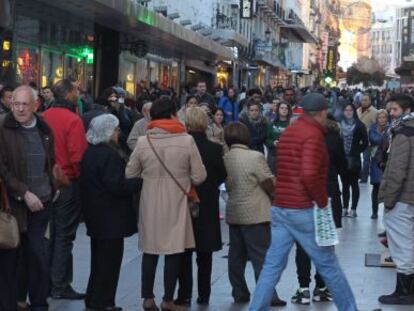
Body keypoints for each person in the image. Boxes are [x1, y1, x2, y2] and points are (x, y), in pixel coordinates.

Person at [249, 93, 357, 311]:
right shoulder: (313, 136)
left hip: (281, 207)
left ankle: (256, 309)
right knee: (328, 264)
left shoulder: (290, 132)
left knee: (272, 265)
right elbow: (308, 174)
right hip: (303, 209)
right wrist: (321, 200)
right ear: (321, 112)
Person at [125, 96, 207, 311]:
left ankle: (147, 298)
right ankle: (168, 299)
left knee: (150, 251)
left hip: (150, 201)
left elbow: (130, 173)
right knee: (174, 250)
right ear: (173, 114)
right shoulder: (186, 140)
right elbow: (199, 176)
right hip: (177, 202)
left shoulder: (144, 141)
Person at [0, 85, 56, 311]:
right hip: (12, 206)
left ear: (36, 105)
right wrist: (24, 192)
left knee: (37, 254)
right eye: (16, 104)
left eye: (25, 104)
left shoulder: (44, 127)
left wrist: (52, 187)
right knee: (10, 258)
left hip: (42, 202)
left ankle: (39, 303)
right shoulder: (3, 127)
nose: (20, 109)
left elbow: (49, 160)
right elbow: (2, 169)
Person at [80, 114, 142, 311]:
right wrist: (139, 182)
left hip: (96, 215)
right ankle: (104, 301)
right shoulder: (108, 155)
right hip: (110, 218)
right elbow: (116, 185)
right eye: (115, 130)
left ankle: (94, 298)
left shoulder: (91, 152)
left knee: (98, 261)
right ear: (107, 132)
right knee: (110, 262)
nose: (118, 133)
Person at [223, 122, 286, 307]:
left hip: (234, 211)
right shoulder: (255, 156)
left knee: (236, 256)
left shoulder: (226, 157)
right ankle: (268, 295)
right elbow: (268, 182)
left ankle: (239, 291)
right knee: (262, 257)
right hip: (256, 213)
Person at [175, 107, 227, 306]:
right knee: (204, 254)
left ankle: (184, 293)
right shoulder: (213, 148)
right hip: (207, 202)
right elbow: (222, 174)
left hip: (185, 199)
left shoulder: (181, 146)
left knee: (184, 251)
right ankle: (204, 294)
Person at [43, 79, 88, 300]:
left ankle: (48, 282)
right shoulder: (73, 120)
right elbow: (77, 156)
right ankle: (60, 284)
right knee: (64, 235)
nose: (78, 94)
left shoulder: (44, 117)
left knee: (49, 234)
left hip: (45, 182)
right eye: (76, 91)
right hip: (67, 182)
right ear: (69, 94)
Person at [378, 94, 414, 305]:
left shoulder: (403, 134)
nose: (390, 114)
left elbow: (397, 170)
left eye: (394, 110)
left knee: (402, 245)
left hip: (402, 197)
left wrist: (388, 200)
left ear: (406, 110)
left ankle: (404, 291)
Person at [340, 103, 368, 217]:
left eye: (350, 110)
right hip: (342, 159)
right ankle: (344, 207)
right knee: (344, 185)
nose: (348, 112)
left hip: (354, 160)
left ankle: (353, 209)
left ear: (354, 111)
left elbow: (365, 142)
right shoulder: (340, 124)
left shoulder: (360, 125)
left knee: (354, 185)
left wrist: (357, 151)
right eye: (346, 110)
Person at [369, 110, 389, 219]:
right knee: (376, 187)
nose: (382, 119)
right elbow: (374, 139)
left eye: (384, 117)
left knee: (387, 188)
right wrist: (384, 137)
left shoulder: (390, 128)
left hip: (386, 159)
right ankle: (374, 211)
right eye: (380, 117)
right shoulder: (373, 128)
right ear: (377, 119)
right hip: (375, 160)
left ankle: (387, 212)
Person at [265, 101, 291, 174]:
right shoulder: (271, 124)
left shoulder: (292, 124)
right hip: (274, 156)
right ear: (278, 110)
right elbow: (266, 139)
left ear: (289, 110)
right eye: (282, 108)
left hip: (288, 157)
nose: (284, 110)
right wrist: (273, 143)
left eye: (286, 108)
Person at [357, 93, 378, 183]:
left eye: (365, 100)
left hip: (368, 139)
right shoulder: (357, 110)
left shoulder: (374, 112)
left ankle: (364, 177)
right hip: (357, 139)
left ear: (370, 101)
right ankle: (358, 174)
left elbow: (376, 126)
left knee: (366, 160)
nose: (363, 102)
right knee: (356, 159)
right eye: (362, 100)